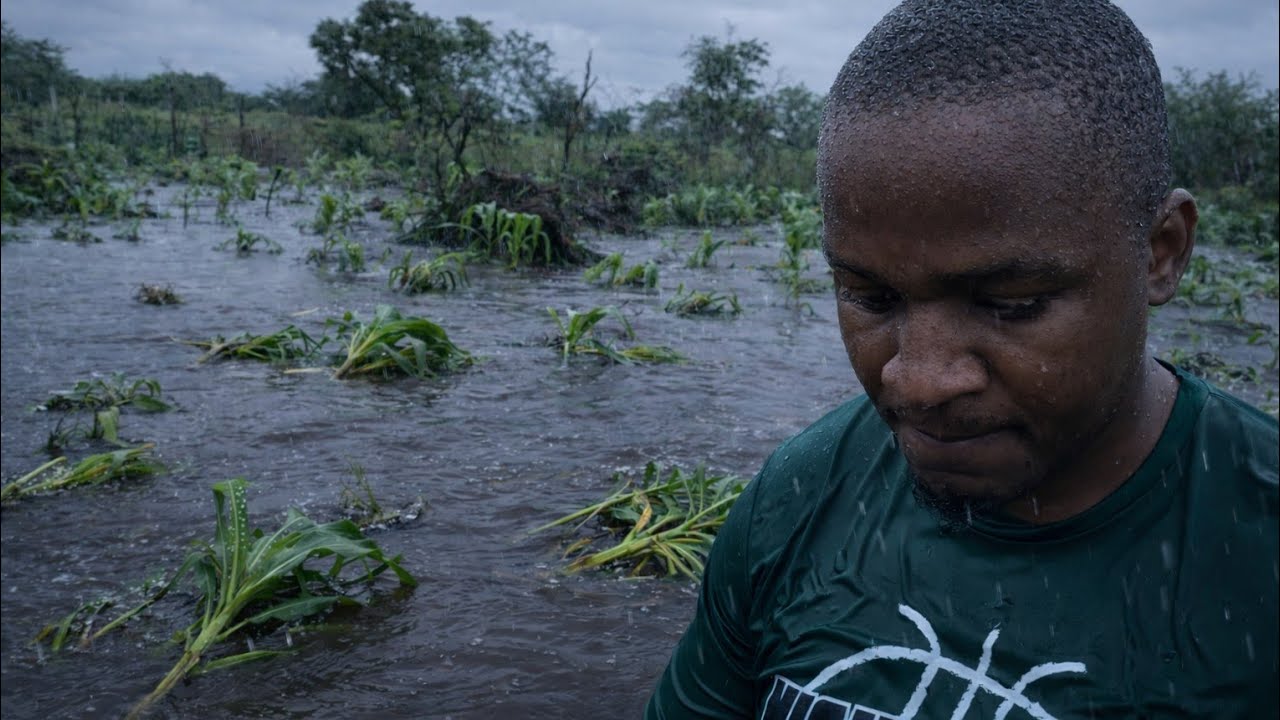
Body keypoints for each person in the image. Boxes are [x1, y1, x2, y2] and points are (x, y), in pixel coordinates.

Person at [644, 1, 1279, 718]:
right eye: (871, 297)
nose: (917, 382)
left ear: (1162, 252)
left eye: (1011, 303)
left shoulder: (1257, 543)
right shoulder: (796, 500)